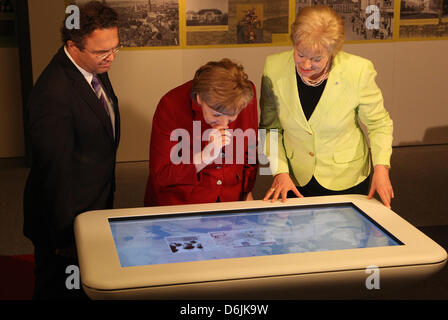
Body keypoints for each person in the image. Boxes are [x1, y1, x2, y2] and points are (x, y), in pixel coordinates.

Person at [23, 1, 120, 299]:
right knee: (60, 291)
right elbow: (55, 172)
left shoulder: (92, 66)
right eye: (103, 51)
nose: (111, 57)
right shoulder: (54, 95)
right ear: (73, 46)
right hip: (64, 225)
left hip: (90, 206)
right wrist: (66, 235)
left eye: (116, 47)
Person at [260, 5, 394, 208]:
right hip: (294, 178)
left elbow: (378, 124)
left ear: (332, 51)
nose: (306, 65)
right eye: (300, 54)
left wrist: (381, 169)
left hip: (346, 177)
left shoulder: (358, 71)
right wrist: (280, 171)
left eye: (316, 59)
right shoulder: (273, 67)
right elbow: (269, 128)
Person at [144, 58, 258, 206]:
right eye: (216, 115)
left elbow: (249, 149)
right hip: (182, 203)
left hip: (231, 200)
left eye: (231, 119)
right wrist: (205, 157)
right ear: (200, 99)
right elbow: (161, 176)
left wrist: (247, 191)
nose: (224, 125)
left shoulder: (243, 96)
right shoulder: (170, 105)